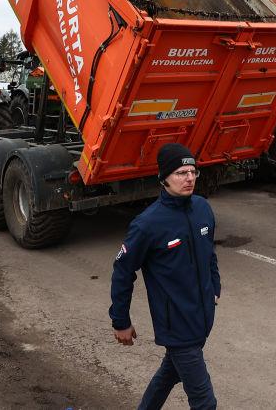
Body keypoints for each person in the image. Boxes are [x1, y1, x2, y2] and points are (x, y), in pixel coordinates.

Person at [110, 143, 221, 410]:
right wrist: (120, 321)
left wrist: (214, 287)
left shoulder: (203, 209)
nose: (189, 178)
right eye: (181, 173)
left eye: (193, 172)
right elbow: (123, 270)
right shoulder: (148, 224)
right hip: (177, 327)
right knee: (205, 403)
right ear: (164, 178)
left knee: (168, 375)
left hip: (202, 318)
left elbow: (210, 255)